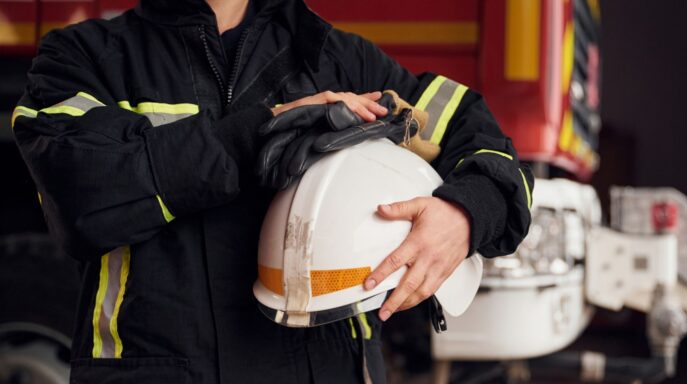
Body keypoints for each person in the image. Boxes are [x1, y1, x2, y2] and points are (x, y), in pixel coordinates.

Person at [11, 0, 534, 382]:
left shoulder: (337, 59)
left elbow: (479, 133)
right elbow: (83, 195)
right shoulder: (83, 58)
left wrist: (465, 214)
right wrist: (258, 133)